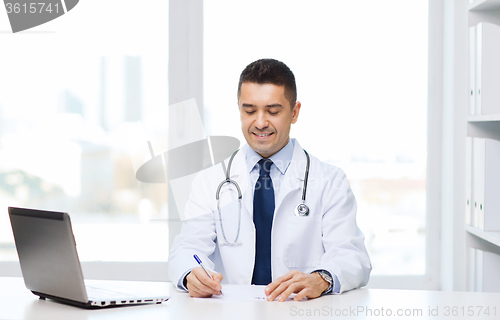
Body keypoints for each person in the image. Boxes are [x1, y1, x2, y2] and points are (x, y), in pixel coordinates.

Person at [167, 58, 371, 301]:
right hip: (232, 313)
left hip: (300, 313)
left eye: (273, 111)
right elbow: (188, 247)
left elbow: (351, 256)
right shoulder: (211, 181)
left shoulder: (330, 181)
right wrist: (192, 273)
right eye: (249, 110)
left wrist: (321, 278)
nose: (260, 122)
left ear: (294, 113)